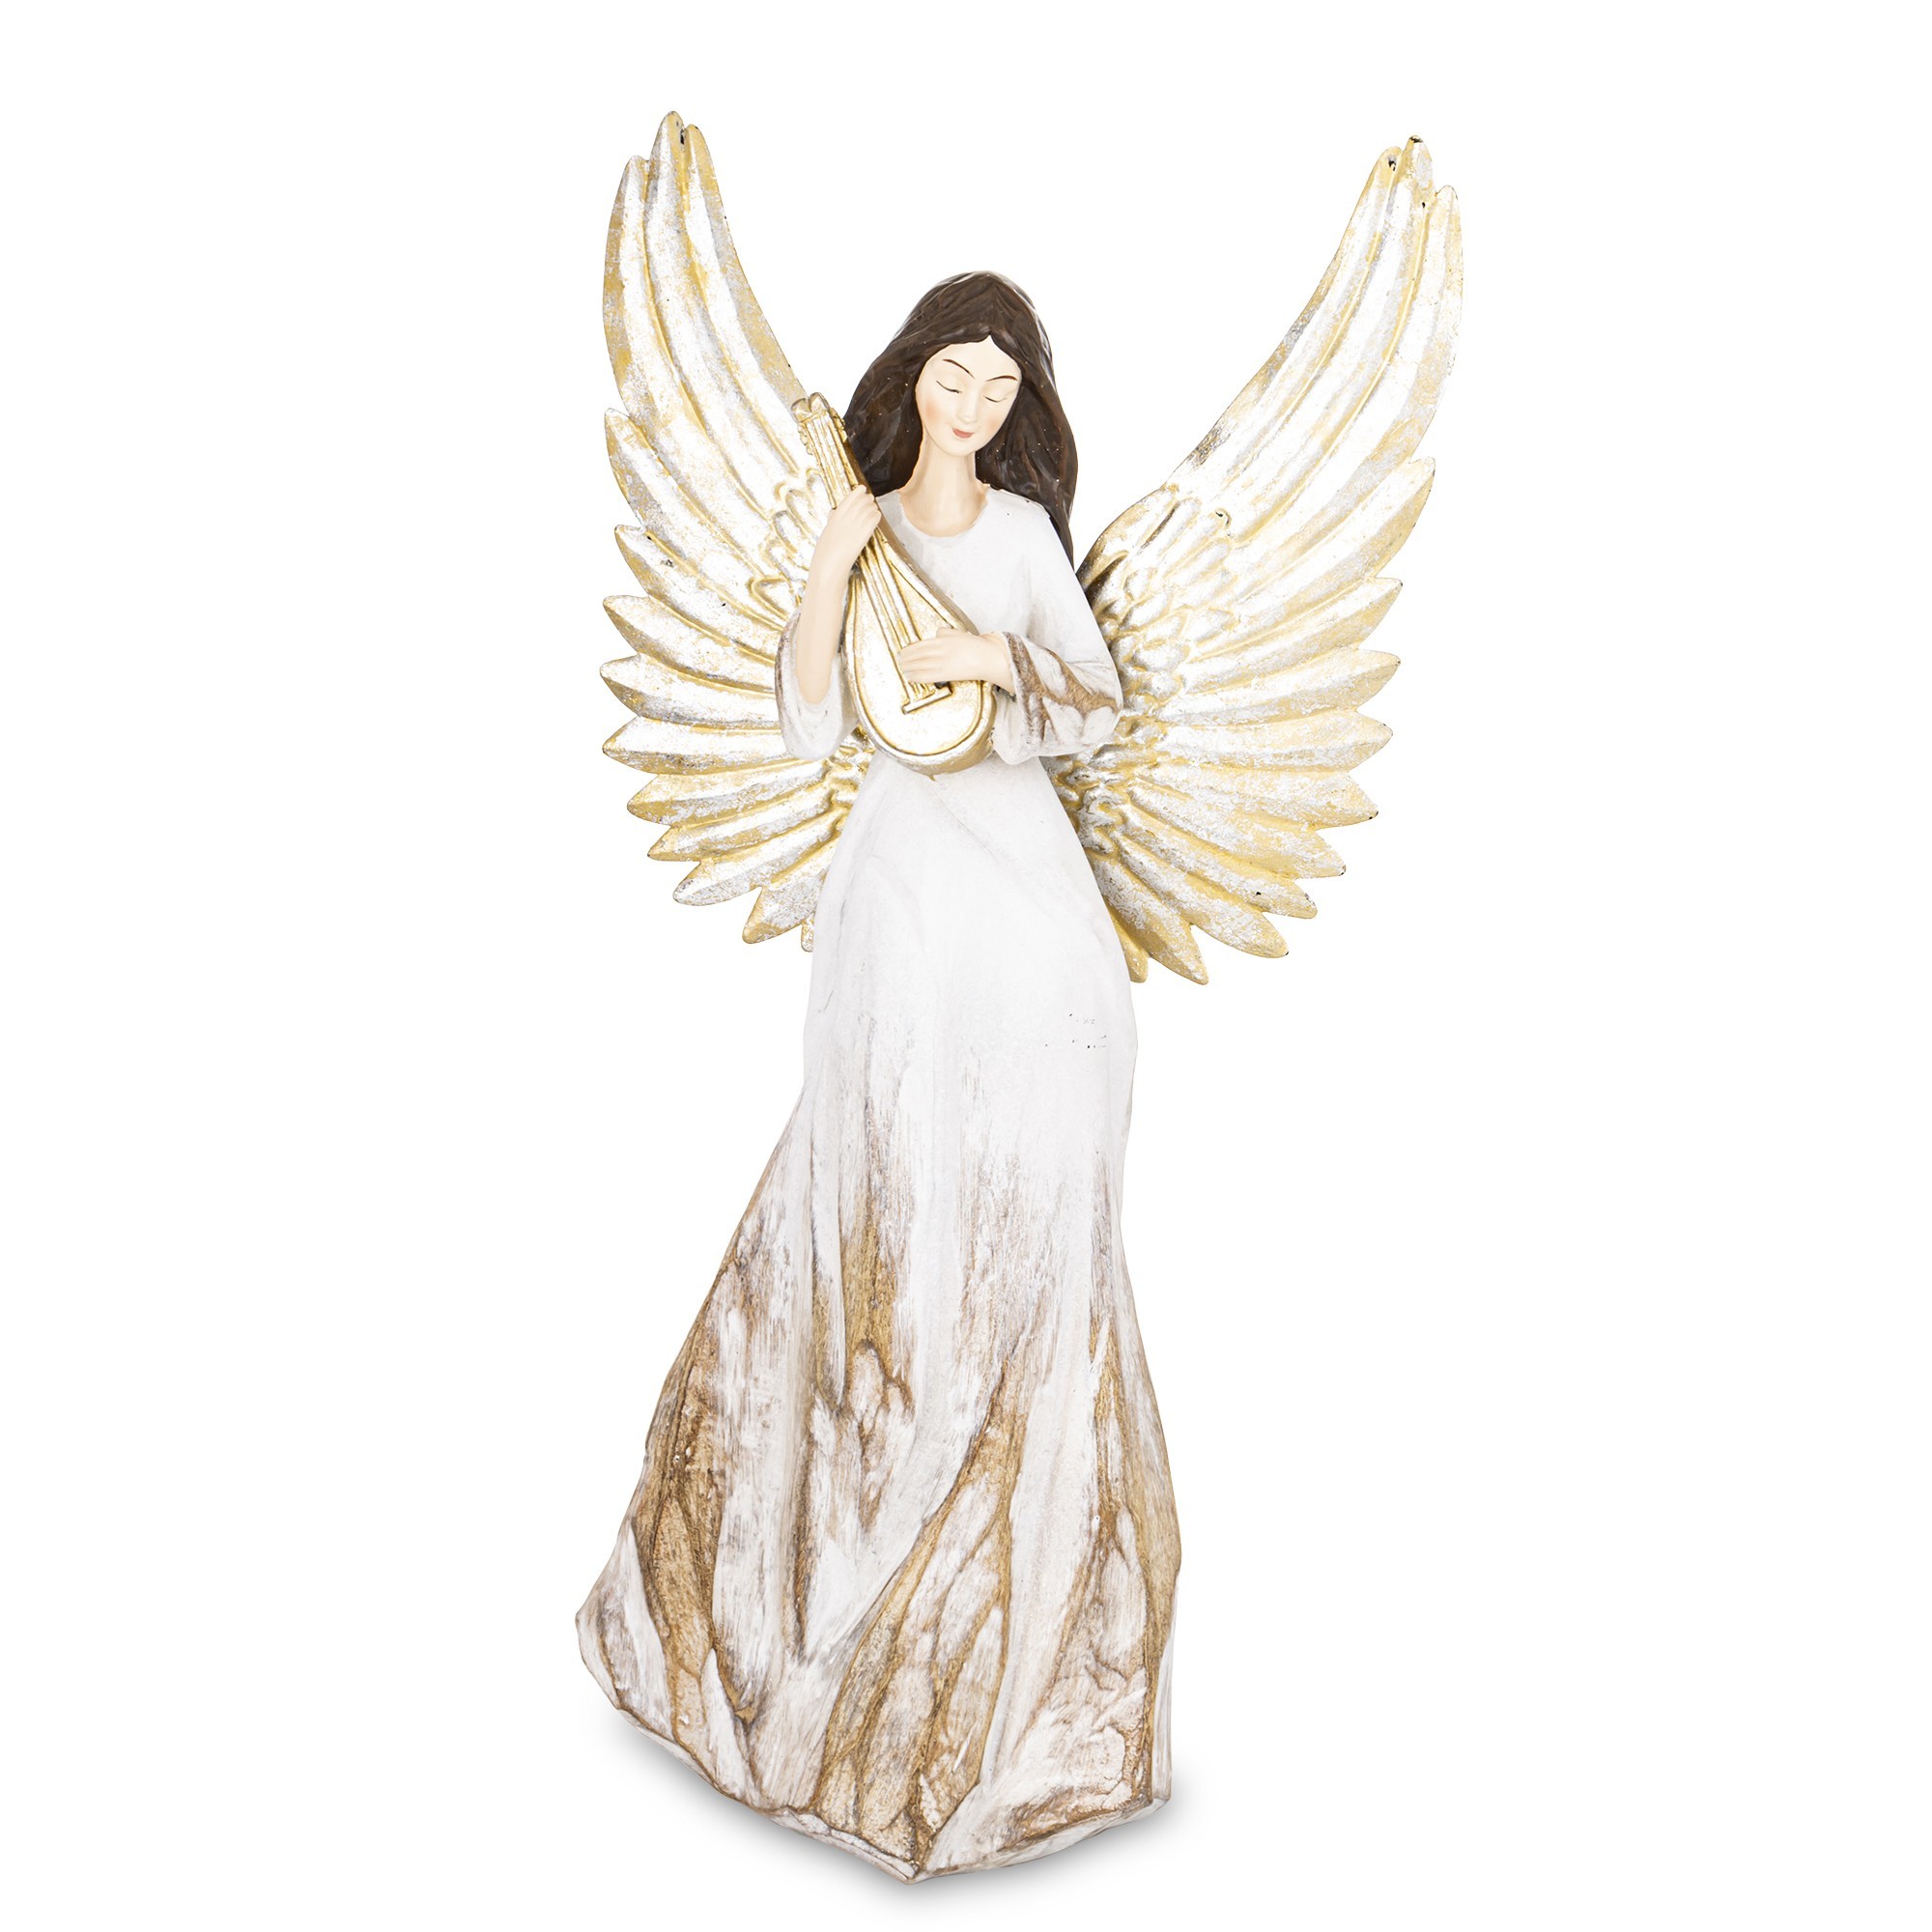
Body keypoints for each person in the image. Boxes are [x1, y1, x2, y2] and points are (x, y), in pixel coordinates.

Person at [578, 272, 1181, 1882]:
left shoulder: (1023, 541)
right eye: (951, 377)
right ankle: (818, 1615)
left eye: (999, 387)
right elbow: (804, 724)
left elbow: (1100, 706)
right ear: (910, 378)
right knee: (881, 1216)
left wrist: (1003, 654)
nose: (971, 407)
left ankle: (1014, 1643)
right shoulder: (863, 528)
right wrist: (834, 564)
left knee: (1033, 1217)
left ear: (1020, 404)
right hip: (900, 909)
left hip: (1028, 912)